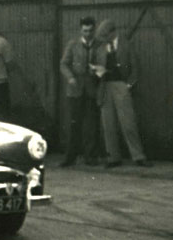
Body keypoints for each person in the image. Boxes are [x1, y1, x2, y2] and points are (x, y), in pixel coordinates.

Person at [91, 19, 151, 168]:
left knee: (128, 123)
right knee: (108, 124)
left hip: (121, 86)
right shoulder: (100, 49)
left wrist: (128, 86)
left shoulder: (126, 45)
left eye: (105, 36)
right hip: (105, 87)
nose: (104, 39)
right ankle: (113, 158)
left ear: (113, 33)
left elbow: (135, 68)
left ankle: (138, 156)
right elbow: (93, 68)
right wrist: (96, 72)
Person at [59, 16, 101, 167]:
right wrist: (70, 77)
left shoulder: (99, 45)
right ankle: (70, 157)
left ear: (94, 30)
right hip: (75, 90)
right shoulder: (73, 45)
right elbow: (63, 64)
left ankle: (89, 157)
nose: (88, 34)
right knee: (73, 124)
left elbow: (103, 64)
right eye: (85, 31)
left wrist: (97, 71)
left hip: (91, 90)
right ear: (80, 30)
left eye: (90, 31)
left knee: (90, 125)